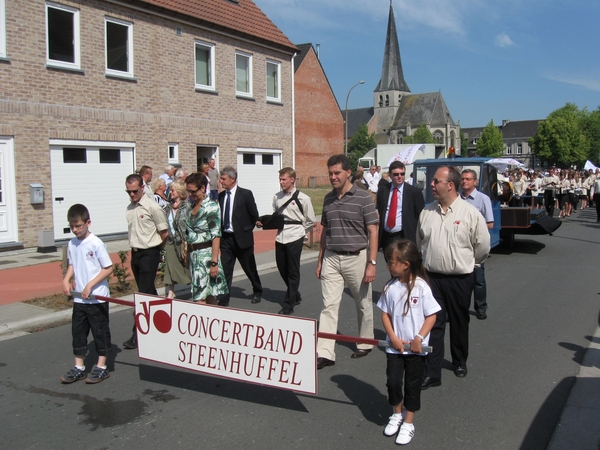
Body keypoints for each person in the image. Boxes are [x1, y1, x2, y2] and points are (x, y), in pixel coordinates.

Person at [417, 166, 490, 389]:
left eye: (436, 181)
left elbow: (483, 247)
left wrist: (469, 264)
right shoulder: (427, 212)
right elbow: (420, 243)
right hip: (432, 279)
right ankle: (433, 370)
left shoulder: (470, 214)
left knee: (459, 322)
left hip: (460, 279)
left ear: (450, 185)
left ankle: (459, 361)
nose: (431, 184)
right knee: (434, 324)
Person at [315, 154, 379, 369]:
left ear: (348, 172)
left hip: (357, 258)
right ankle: (324, 352)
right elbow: (325, 231)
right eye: (330, 173)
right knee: (329, 306)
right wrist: (320, 259)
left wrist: (372, 263)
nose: (333, 177)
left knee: (362, 303)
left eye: (337, 173)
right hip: (332, 258)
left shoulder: (363, 198)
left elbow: (373, 230)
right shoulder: (328, 199)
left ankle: (365, 341)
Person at [377, 239, 440, 445]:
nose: (388, 265)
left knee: (412, 385)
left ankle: (409, 422)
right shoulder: (390, 287)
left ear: (405, 264)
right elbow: (385, 315)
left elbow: (432, 316)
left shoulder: (422, 287)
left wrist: (418, 338)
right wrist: (393, 338)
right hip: (395, 349)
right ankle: (397, 413)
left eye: (390, 262)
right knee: (393, 382)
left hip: (416, 350)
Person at [60, 204, 113, 384]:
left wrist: (90, 285)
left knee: (100, 332)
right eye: (72, 226)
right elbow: (73, 265)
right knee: (78, 333)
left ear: (88, 223)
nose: (75, 230)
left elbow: (108, 268)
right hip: (79, 298)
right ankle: (79, 367)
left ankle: (102, 367)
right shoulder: (72, 243)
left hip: (96, 297)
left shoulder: (96, 243)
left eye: (78, 226)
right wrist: (66, 279)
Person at [258, 167, 316, 315]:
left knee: (293, 270)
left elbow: (311, 220)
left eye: (284, 179)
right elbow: (277, 215)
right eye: (280, 179)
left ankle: (289, 303)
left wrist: (303, 234)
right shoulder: (277, 197)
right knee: (281, 267)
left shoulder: (303, 198)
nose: (281, 182)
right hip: (281, 235)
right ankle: (294, 293)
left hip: (296, 235)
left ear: (292, 180)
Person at [123, 174, 168, 350]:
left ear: (142, 187)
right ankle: (163, 321)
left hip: (150, 252)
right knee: (149, 291)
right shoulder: (130, 207)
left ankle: (138, 333)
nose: (132, 194)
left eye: (135, 191)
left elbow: (164, 232)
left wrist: (157, 252)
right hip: (135, 253)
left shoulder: (153, 207)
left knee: (142, 294)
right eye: (129, 191)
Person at [218, 166, 263, 306]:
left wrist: (246, 229)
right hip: (226, 239)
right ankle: (223, 299)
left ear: (233, 179)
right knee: (225, 270)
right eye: (221, 178)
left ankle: (257, 289)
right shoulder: (220, 196)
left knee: (249, 268)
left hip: (242, 239)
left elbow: (253, 215)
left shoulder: (245, 194)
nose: (221, 181)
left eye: (224, 179)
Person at [185, 173, 228, 304]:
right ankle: (217, 323)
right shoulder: (192, 206)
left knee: (199, 298)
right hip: (194, 256)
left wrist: (214, 263)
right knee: (209, 296)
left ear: (203, 188)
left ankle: (204, 323)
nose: (190, 194)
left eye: (193, 191)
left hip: (206, 257)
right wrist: (187, 253)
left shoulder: (211, 207)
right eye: (188, 191)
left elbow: (216, 236)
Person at [460, 169, 494, 320]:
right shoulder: (457, 199)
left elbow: (490, 223)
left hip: (476, 245)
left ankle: (480, 308)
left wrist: (473, 232)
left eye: (468, 179)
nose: (465, 181)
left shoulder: (482, 199)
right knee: (461, 280)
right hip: (460, 245)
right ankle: (460, 308)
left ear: (475, 182)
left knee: (478, 280)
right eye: (463, 179)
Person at [376, 161, 424, 252]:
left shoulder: (414, 192)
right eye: (396, 174)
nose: (399, 176)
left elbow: (420, 216)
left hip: (404, 235)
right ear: (390, 175)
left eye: (402, 174)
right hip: (386, 236)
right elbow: (380, 210)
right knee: (390, 263)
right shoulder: (383, 190)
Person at [163, 180, 192, 298]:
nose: (170, 192)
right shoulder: (168, 207)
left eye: (173, 190)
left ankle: (193, 285)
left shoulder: (187, 207)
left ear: (179, 191)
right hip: (170, 241)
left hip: (183, 241)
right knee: (169, 266)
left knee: (186, 266)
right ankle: (171, 291)